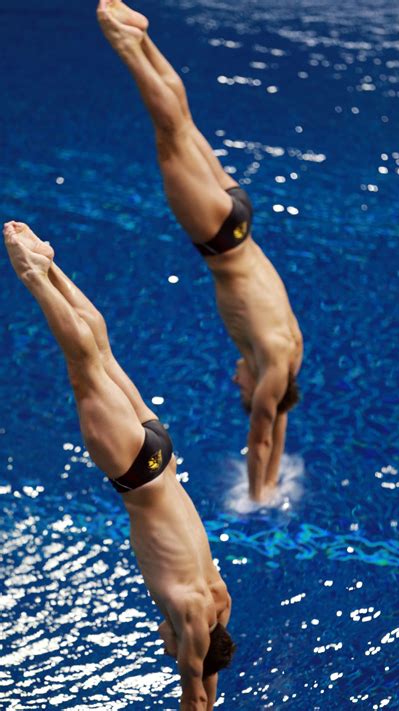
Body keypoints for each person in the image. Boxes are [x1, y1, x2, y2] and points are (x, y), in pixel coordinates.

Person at [3, 220, 235, 711]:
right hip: (137, 473)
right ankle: (33, 274)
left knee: (102, 354)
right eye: (174, 651)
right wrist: (191, 675)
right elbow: (194, 692)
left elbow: (208, 678)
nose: (164, 645)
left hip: (161, 454)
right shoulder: (193, 617)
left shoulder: (216, 601)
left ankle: (51, 265)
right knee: (83, 364)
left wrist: (206, 679)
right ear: (190, 646)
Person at [97, 0, 304, 502]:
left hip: (239, 221)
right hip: (219, 239)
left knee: (184, 125)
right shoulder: (272, 370)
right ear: (262, 393)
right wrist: (258, 498)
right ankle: (127, 45)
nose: (235, 380)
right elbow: (260, 439)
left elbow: (278, 429)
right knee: (170, 134)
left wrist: (278, 475)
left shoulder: (289, 356)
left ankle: (142, 37)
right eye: (243, 391)